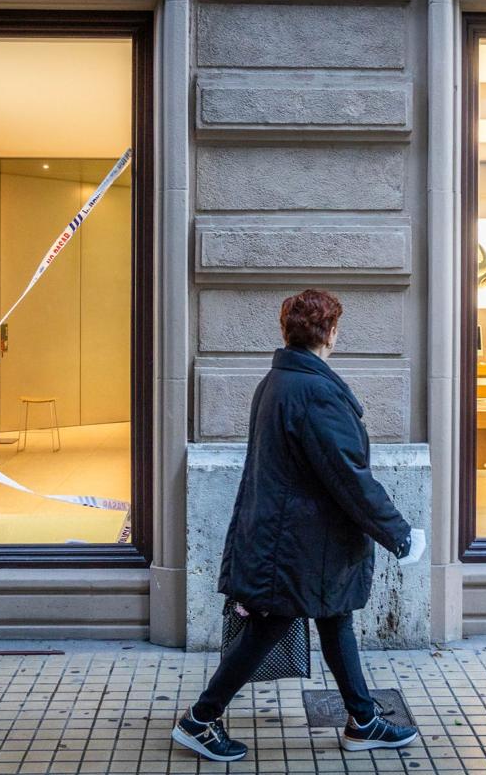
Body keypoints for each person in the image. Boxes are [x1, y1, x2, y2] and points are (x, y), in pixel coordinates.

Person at [172, 289, 420, 763]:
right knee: (269, 628)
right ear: (330, 332)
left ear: (286, 331)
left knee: (335, 617)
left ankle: (362, 720)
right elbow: (348, 473)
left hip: (299, 539)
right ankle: (199, 721)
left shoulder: (280, 380)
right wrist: (398, 532)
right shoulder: (314, 390)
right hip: (298, 543)